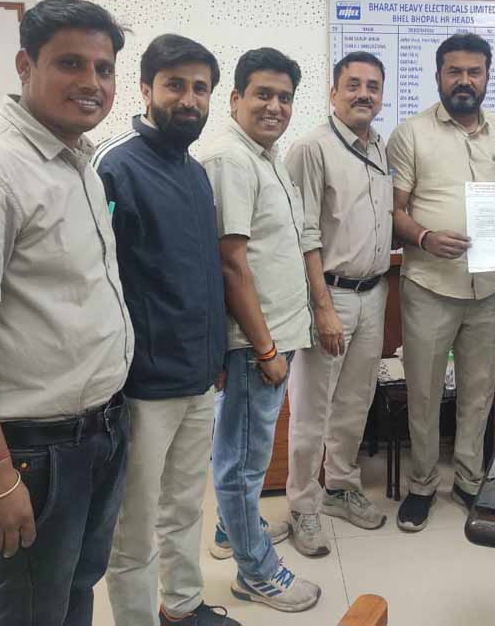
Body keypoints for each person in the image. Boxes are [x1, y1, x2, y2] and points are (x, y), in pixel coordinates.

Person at [0, 0, 133, 626]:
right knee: (32, 610)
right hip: (34, 450)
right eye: (70, 63)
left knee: (75, 591)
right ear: (24, 65)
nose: (92, 82)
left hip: (99, 429)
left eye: (103, 68)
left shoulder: (78, 161)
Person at [93, 34, 237, 626]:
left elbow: (203, 274)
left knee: (184, 506)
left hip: (197, 377)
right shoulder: (114, 166)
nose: (189, 99)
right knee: (135, 524)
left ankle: (182, 607)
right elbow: (95, 279)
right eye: (175, 85)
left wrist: (216, 357)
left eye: (200, 88)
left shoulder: (195, 173)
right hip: (143, 385)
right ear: (145, 88)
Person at [387, 32, 495, 532]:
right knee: (425, 393)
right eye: (455, 71)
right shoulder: (410, 134)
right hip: (429, 285)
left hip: (488, 289)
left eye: (474, 72)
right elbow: (393, 210)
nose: (464, 80)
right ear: (438, 76)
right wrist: (425, 237)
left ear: (487, 77)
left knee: (477, 392)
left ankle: (470, 480)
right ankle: (422, 485)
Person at [198, 47, 321, 613]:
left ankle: (232, 530)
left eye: (285, 97)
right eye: (263, 94)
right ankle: (257, 572)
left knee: (244, 447)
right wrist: (266, 347)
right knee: (244, 462)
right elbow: (231, 264)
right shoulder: (230, 159)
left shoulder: (264, 156)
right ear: (235, 99)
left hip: (273, 334)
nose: (275, 106)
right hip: (256, 341)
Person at [283, 51, 392, 557]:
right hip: (329, 296)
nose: (363, 94)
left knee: (354, 403)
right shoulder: (311, 148)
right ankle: (302, 505)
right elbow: (303, 233)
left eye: (372, 86)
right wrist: (322, 307)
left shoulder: (381, 148)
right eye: (353, 84)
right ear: (333, 92)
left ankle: (341, 488)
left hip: (375, 294)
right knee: (312, 411)